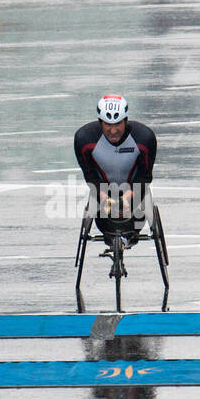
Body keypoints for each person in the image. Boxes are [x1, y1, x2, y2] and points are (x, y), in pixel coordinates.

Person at [74, 94, 157, 275]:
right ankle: (113, 241)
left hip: (135, 194)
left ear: (126, 121)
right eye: (108, 125)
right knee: (104, 209)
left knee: (136, 204)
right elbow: (90, 175)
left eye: (118, 124)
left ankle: (127, 237)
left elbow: (145, 177)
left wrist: (128, 197)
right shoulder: (84, 139)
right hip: (103, 194)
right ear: (100, 122)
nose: (113, 131)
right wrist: (103, 197)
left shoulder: (145, 138)